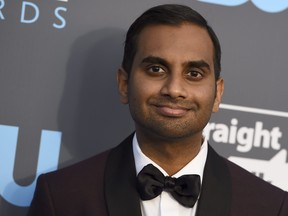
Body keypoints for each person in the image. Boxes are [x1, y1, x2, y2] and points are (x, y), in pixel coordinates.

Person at [27, 4, 288, 216]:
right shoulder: (61, 196)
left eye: (194, 73)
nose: (174, 89)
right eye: (156, 69)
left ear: (217, 93)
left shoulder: (270, 207)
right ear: (124, 83)